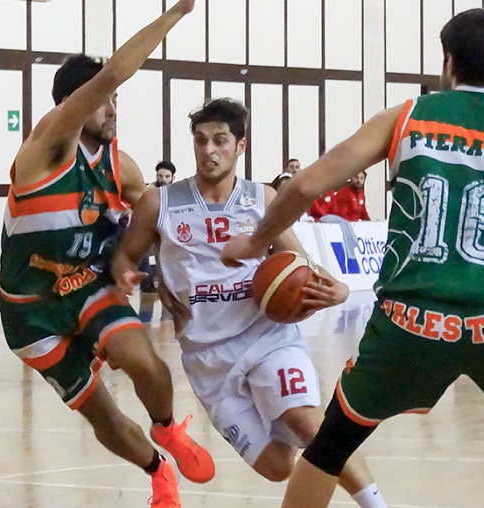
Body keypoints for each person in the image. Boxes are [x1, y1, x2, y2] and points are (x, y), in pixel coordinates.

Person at [222, 9, 484, 508]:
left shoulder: (408, 116)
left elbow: (307, 184)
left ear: (448, 62)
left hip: (413, 322)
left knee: (331, 445)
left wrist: (255, 242)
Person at [112, 98, 388, 508]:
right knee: (277, 466)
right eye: (200, 140)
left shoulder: (263, 199)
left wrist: (340, 290)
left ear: (241, 145)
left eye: (220, 140)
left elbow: (301, 262)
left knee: (309, 425)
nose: (209, 150)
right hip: (208, 361)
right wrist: (126, 274)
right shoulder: (160, 203)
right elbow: (124, 255)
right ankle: (311, 457)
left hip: (268, 337)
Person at [0, 2, 215, 507]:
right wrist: (177, 12)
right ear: (73, 104)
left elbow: (161, 223)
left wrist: (171, 280)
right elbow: (114, 70)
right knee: (104, 416)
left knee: (147, 365)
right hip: (30, 313)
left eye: (115, 100)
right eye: (103, 100)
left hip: (88, 287)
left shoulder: (124, 168)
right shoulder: (45, 148)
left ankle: (166, 428)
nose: (113, 108)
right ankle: (158, 471)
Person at [140, 160, 178, 293]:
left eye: (167, 176)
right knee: (146, 254)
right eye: (160, 176)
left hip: (169, 228)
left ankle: (169, 284)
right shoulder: (149, 191)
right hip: (150, 227)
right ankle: (147, 284)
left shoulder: (176, 192)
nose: (163, 179)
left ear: (173, 177)